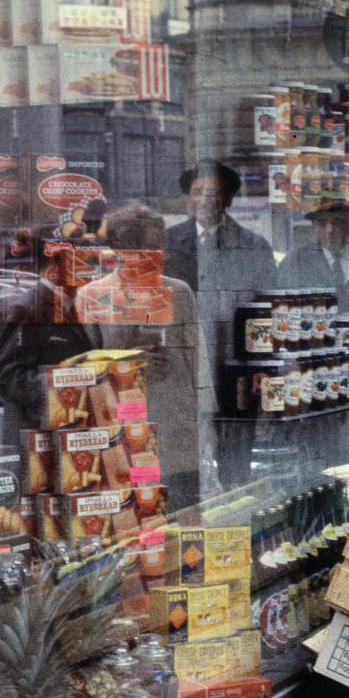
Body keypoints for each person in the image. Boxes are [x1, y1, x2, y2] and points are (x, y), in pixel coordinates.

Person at [77, 203, 213, 506]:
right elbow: (82, 370)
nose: (149, 258)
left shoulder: (178, 292)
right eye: (137, 249)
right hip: (119, 430)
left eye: (155, 248)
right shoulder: (93, 296)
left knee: (181, 515)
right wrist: (128, 363)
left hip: (174, 428)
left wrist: (206, 420)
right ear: (116, 251)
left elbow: (199, 359)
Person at [163, 161, 274, 299]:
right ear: (189, 198)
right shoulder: (168, 240)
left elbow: (265, 300)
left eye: (212, 193)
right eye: (197, 192)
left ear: (228, 199)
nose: (203, 201)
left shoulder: (254, 246)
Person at [276, 200, 349, 327]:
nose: (329, 229)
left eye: (336, 222)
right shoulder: (297, 260)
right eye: (322, 223)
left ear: (347, 225)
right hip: (318, 342)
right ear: (315, 227)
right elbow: (283, 310)